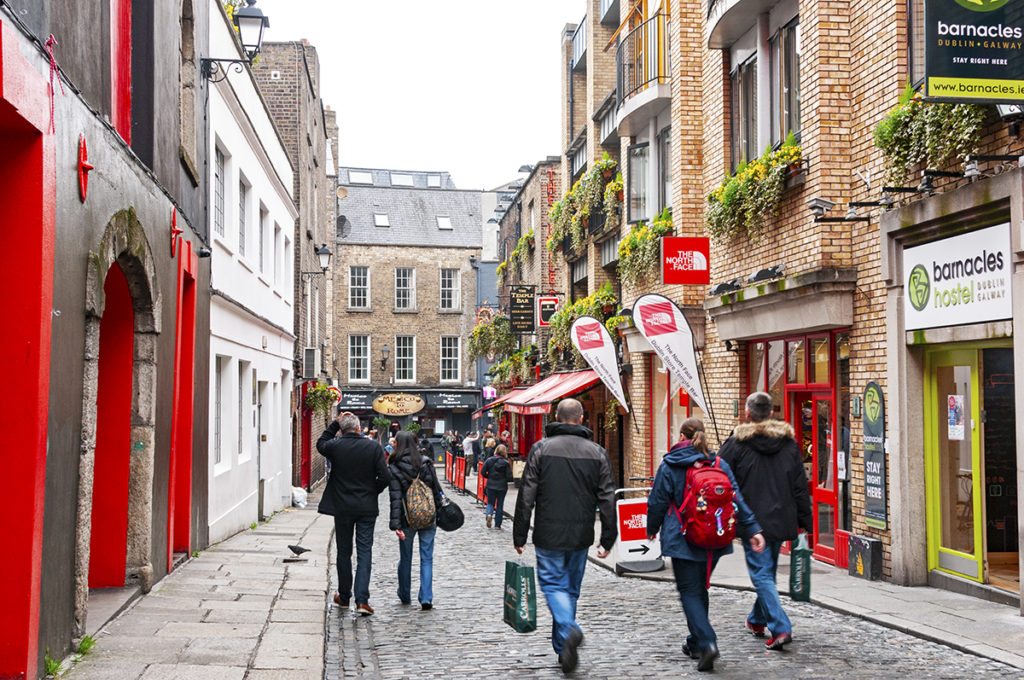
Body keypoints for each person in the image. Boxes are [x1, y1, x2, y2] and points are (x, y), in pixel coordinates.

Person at [646, 417, 765, 672]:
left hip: (682, 538)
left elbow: (656, 501)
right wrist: (753, 528)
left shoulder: (671, 463)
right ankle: (696, 642)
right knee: (699, 590)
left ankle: (708, 642)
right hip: (716, 538)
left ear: (681, 436)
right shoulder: (719, 463)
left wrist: (651, 529)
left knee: (690, 591)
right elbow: (736, 498)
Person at [513, 398, 616, 675]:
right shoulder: (597, 452)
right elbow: (607, 497)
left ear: (556, 417)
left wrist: (520, 534)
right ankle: (562, 648)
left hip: (548, 533)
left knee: (552, 585)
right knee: (570, 590)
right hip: (581, 534)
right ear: (581, 419)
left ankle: (569, 631)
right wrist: (608, 537)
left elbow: (526, 495)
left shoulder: (541, 449)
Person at [718, 392, 812, 651]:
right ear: (771, 413)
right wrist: (806, 519)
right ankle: (756, 619)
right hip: (781, 518)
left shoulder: (736, 443)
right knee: (766, 572)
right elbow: (799, 485)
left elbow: (718, 477)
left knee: (761, 573)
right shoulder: (790, 444)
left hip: (752, 522)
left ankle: (780, 628)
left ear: (747, 414)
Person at [316, 412, 391, 616]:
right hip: (366, 508)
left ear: (342, 429)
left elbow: (320, 443)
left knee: (344, 552)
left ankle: (344, 596)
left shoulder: (335, 446)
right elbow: (385, 476)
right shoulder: (373, 447)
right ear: (359, 429)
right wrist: (372, 491)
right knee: (364, 551)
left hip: (342, 508)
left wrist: (334, 424)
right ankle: (362, 601)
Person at [387, 431, 443, 611]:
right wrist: (439, 512)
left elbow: (395, 498)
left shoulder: (394, 467)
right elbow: (436, 490)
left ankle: (404, 593)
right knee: (427, 558)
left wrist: (395, 524)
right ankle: (426, 597)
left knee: (405, 558)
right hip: (427, 516)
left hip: (406, 519)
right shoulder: (425, 463)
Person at [481, 444, 512, 529]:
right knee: (500, 505)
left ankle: (489, 514)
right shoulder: (506, 463)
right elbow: (509, 477)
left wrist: (489, 477)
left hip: (491, 485)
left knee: (490, 503)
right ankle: (497, 525)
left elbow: (483, 472)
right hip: (502, 486)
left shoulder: (489, 460)